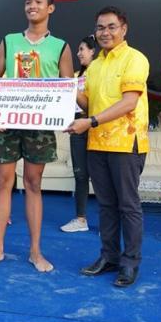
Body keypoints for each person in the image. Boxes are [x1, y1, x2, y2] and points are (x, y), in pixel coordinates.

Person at [0, 0, 74, 272]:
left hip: (39, 126)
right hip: (7, 124)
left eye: (38, 1)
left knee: (33, 184)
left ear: (50, 8)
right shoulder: (8, 41)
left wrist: (66, 114)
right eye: (28, 2)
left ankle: (35, 251)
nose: (32, 6)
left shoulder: (61, 46)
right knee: (3, 183)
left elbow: (67, 87)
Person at [66, 6, 149, 287]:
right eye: (100, 28)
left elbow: (129, 102)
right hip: (97, 142)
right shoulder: (95, 66)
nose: (105, 32)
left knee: (128, 205)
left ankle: (130, 263)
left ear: (124, 29)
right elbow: (89, 103)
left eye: (111, 27)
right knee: (105, 205)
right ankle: (109, 257)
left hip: (126, 142)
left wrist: (90, 122)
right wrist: (66, 88)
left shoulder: (134, 58)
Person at [60, 36, 96, 233]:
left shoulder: (99, 72)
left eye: (82, 49)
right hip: (76, 128)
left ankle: (110, 221)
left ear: (93, 51)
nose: (78, 53)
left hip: (96, 127)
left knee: (101, 176)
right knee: (80, 175)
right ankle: (81, 219)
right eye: (78, 49)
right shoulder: (74, 75)